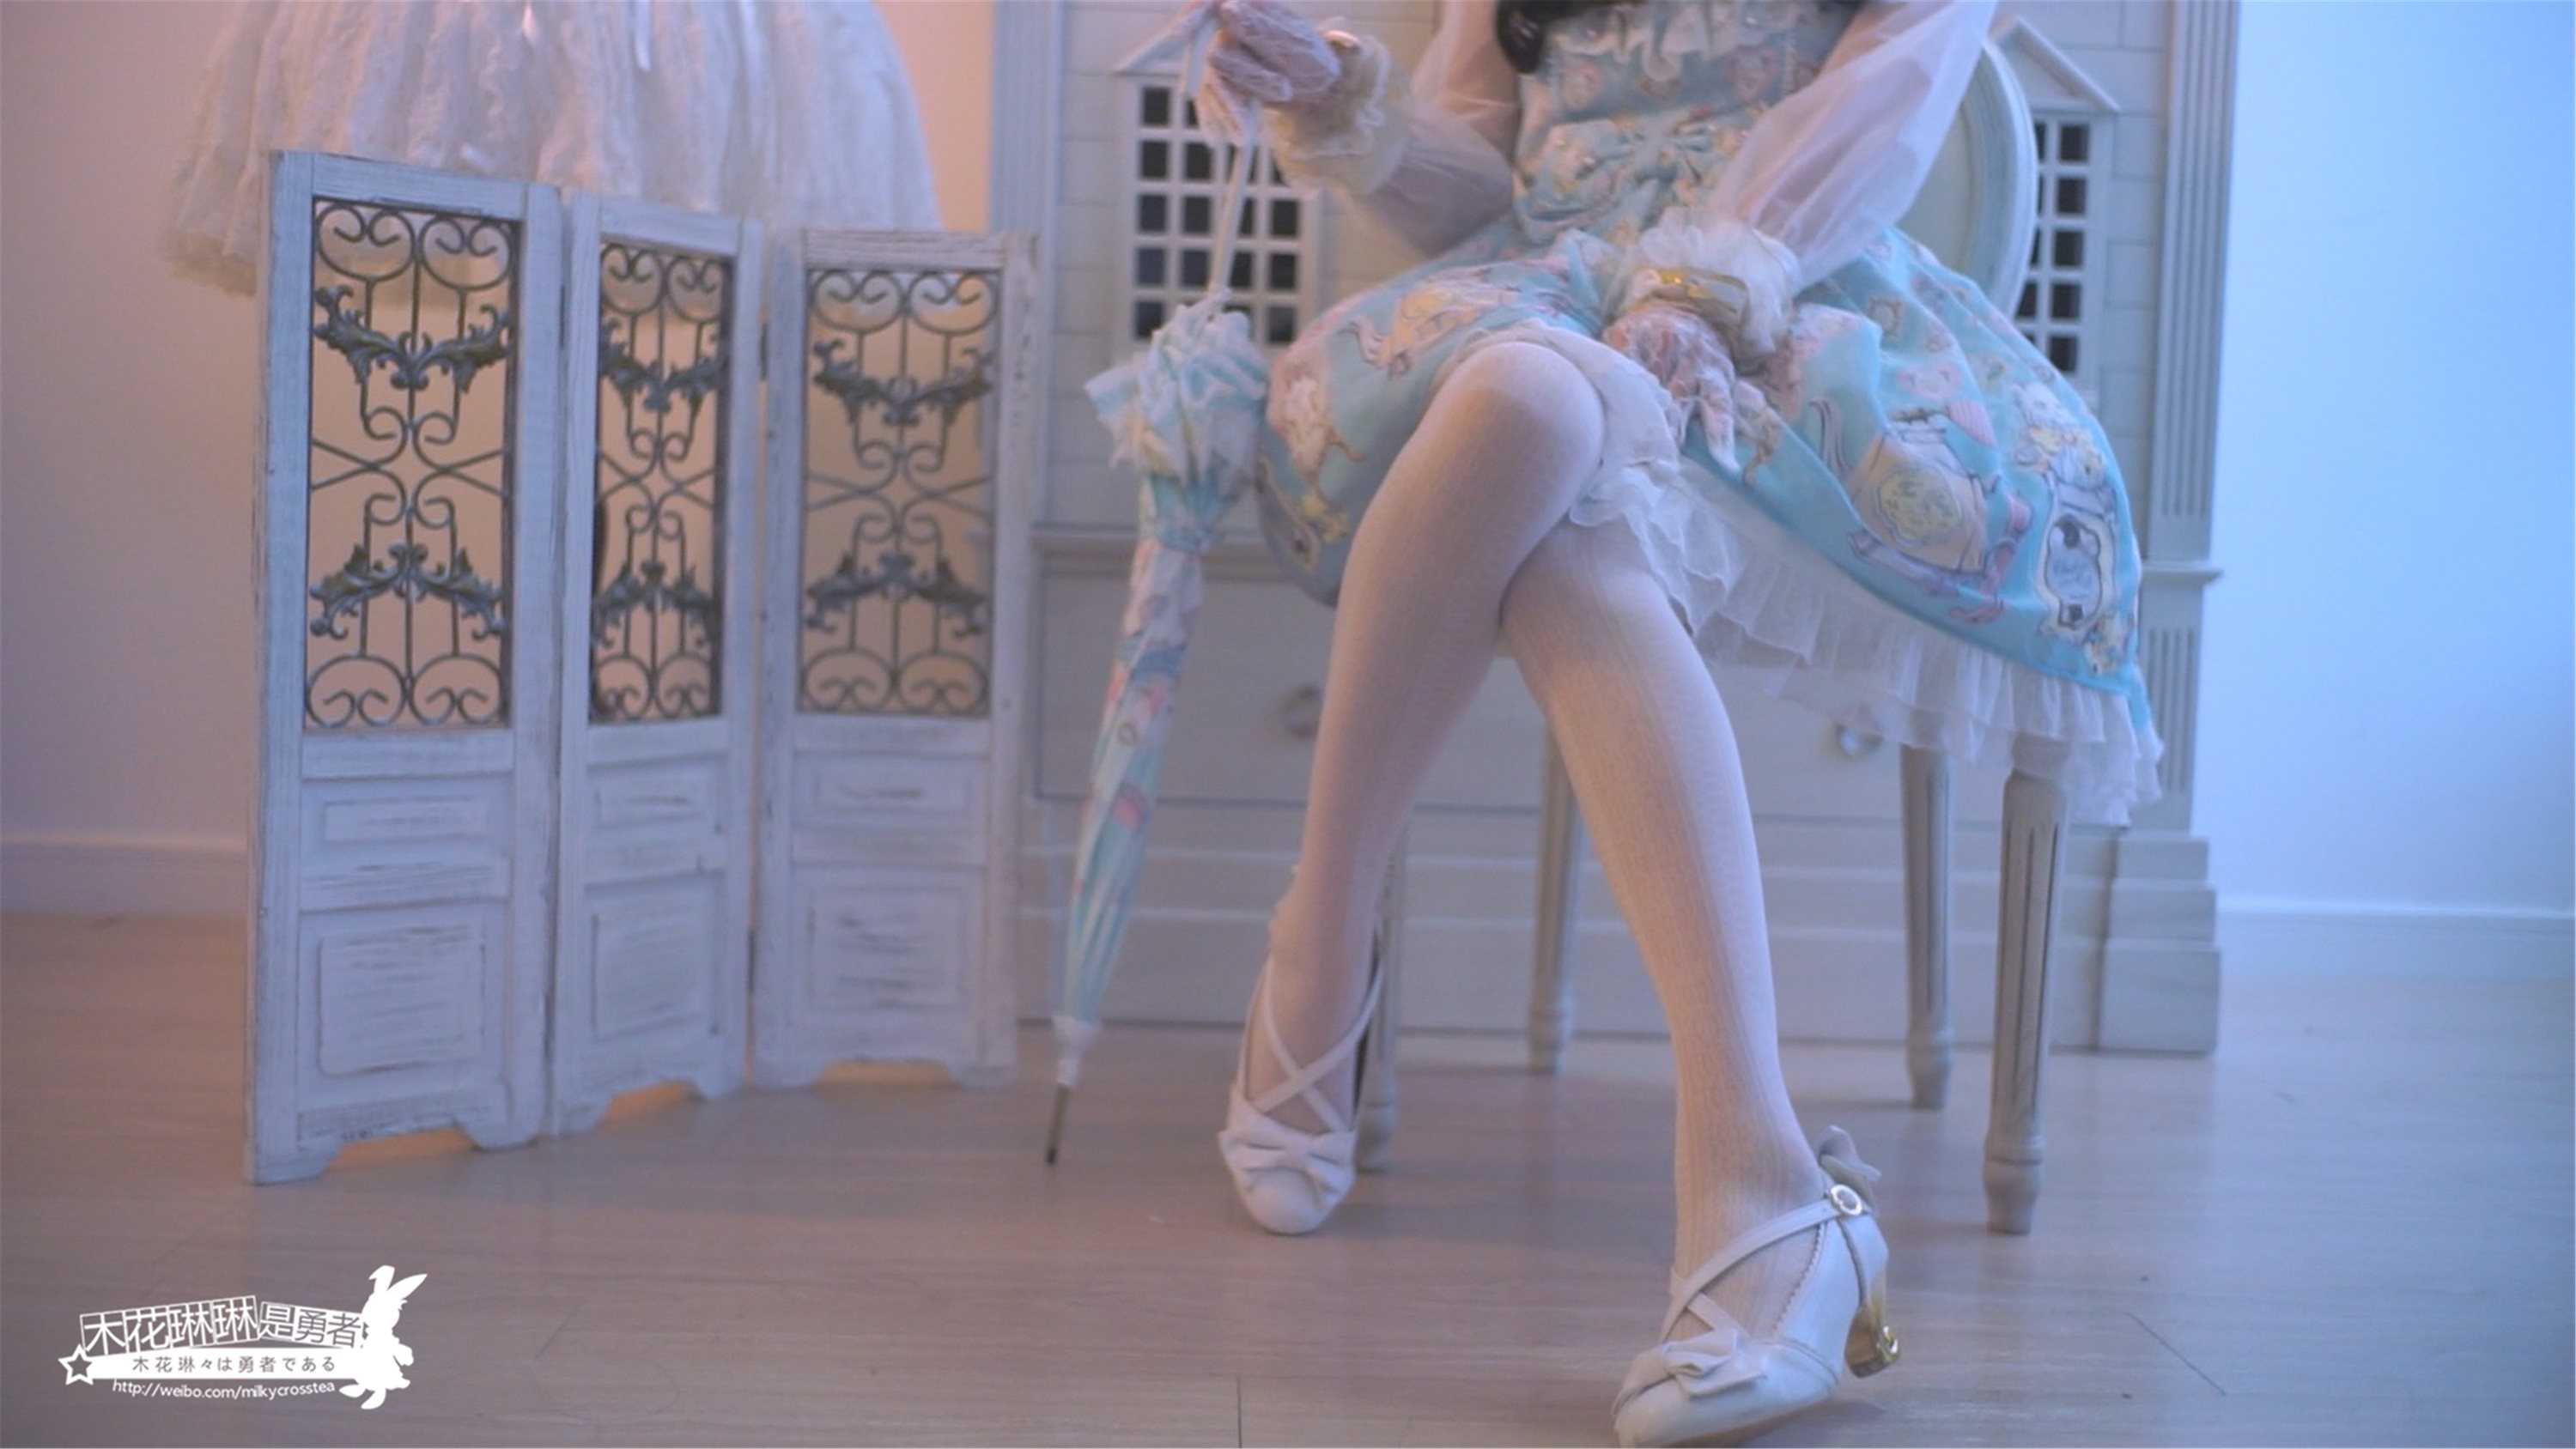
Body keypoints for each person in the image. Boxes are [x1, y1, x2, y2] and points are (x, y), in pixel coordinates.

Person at [1192, 1, 2160, 1443]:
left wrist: (1703, 287)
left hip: (1787, 295)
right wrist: (1347, 96)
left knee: (1542, 442)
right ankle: (1759, 1197)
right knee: (1527, 396)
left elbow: (1889, 105)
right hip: (1543, 290)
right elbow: (1476, 188)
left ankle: (1318, 956)